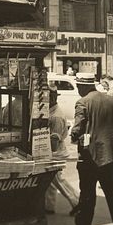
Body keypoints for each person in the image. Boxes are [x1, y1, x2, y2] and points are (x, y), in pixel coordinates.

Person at [66, 73, 113, 225]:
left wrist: (72, 135)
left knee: (87, 193)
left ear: (82, 86)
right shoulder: (111, 100)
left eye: (79, 86)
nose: (78, 89)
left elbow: (77, 128)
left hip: (92, 156)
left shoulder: (83, 102)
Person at [45, 86, 80, 214]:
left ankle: (76, 201)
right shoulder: (51, 112)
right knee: (49, 180)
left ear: (53, 97)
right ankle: (49, 205)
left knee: (57, 179)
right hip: (54, 151)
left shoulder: (56, 116)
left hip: (56, 152)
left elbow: (54, 142)